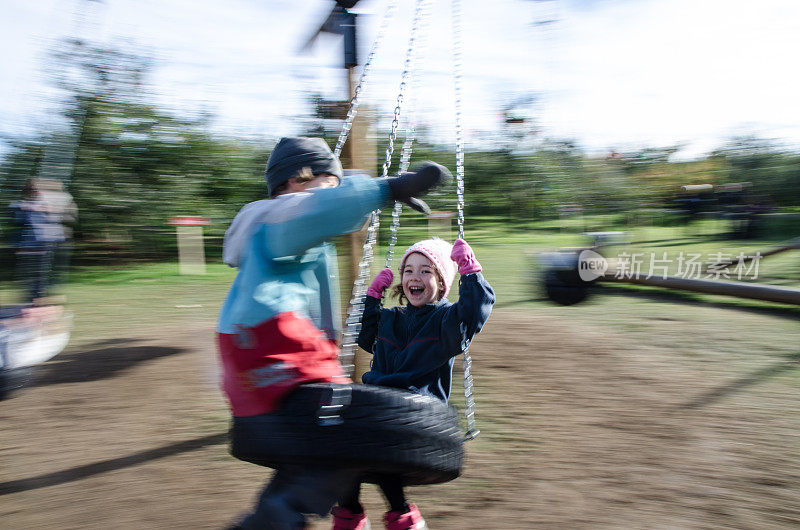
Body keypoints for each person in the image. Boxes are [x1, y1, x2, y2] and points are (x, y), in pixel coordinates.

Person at [216, 136, 450, 529]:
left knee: (309, 448)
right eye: (331, 181)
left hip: (254, 345)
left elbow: (327, 205)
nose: (336, 192)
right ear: (297, 180)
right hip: (275, 340)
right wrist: (387, 188)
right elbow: (321, 207)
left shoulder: (280, 230)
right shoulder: (282, 215)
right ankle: (275, 519)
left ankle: (281, 510)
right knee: (336, 447)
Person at [331, 237, 495, 530]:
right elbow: (363, 333)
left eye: (426, 271)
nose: (414, 277)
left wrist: (470, 272)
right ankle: (351, 511)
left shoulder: (447, 320)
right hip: (379, 405)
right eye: (408, 270)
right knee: (345, 444)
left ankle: (401, 515)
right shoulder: (389, 319)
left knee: (380, 440)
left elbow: (474, 313)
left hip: (419, 410)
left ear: (443, 282)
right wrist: (372, 296)